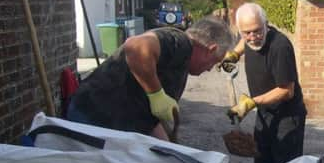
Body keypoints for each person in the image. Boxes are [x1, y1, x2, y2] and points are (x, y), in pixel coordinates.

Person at [68, 17, 233, 140]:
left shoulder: (182, 61)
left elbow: (151, 114)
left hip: (113, 121)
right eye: (214, 61)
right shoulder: (179, 42)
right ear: (211, 49)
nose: (210, 68)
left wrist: (168, 146)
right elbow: (135, 46)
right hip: (93, 115)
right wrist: (156, 94)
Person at [221, 3, 306, 163]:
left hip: (287, 117)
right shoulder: (248, 37)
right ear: (239, 31)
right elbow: (243, 43)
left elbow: (287, 91)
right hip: (264, 112)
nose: (253, 37)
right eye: (246, 33)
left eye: (257, 30)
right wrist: (234, 55)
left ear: (266, 24)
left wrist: (250, 103)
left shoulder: (280, 47)